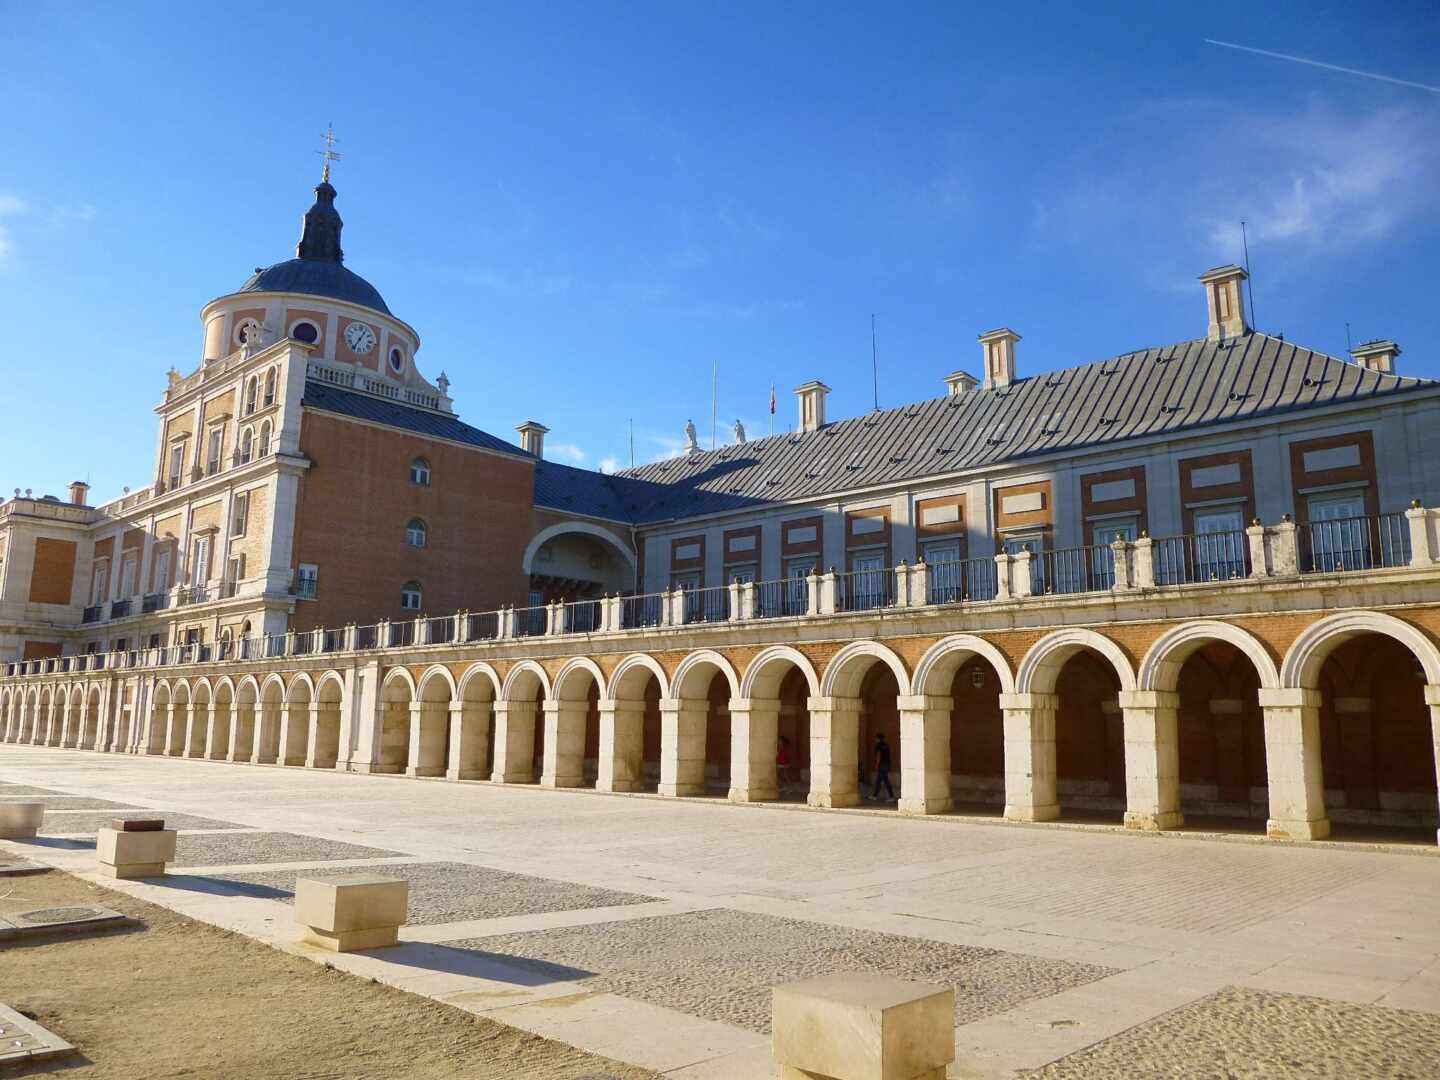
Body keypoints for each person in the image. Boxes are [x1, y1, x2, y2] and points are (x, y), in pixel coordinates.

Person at [869, 732, 895, 801]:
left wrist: (877, 765)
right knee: (880, 780)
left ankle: (891, 796)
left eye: (876, 738)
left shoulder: (878, 745)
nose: (875, 740)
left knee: (884, 781)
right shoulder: (886, 745)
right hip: (887, 764)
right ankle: (875, 795)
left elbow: (878, 756)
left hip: (881, 765)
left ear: (878, 738)